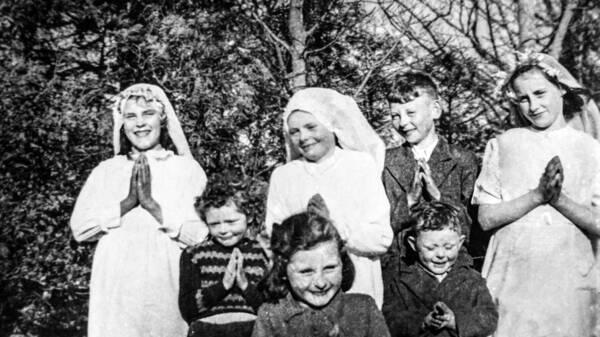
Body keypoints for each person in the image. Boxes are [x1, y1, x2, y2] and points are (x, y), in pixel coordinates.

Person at [473, 52, 600, 336]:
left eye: (540, 93)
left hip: (568, 279)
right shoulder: (505, 144)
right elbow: (486, 218)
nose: (533, 105)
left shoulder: (589, 149)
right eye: (523, 98)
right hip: (514, 275)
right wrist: (536, 195)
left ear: (561, 89)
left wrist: (560, 200)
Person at [70, 83, 207, 337]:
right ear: (122, 124)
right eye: (131, 116)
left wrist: (155, 209)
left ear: (162, 119)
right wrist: (126, 204)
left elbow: (202, 236)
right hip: (116, 282)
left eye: (148, 114)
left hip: (166, 279)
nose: (140, 124)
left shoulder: (186, 169)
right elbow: (80, 229)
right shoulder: (106, 170)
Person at [265, 88, 393, 307]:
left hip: (357, 285)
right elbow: (274, 236)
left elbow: (381, 237)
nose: (303, 137)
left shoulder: (360, 165)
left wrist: (336, 228)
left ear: (332, 124)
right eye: (294, 131)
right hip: (302, 291)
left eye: (311, 127)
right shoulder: (284, 176)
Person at [381, 72, 479, 283]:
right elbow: (379, 227)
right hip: (400, 275)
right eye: (395, 115)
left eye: (411, 112)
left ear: (435, 110)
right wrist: (407, 202)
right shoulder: (385, 162)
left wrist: (439, 198)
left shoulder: (463, 160)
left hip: (454, 275)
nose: (403, 122)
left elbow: (474, 231)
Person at [253, 195, 391, 337]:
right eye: (306, 272)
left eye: (330, 268)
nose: (320, 282)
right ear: (283, 270)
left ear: (342, 263)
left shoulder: (363, 309)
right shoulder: (272, 316)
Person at [382, 201, 497, 337]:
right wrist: (422, 320)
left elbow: (490, 317)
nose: (441, 254)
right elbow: (389, 319)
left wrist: (456, 321)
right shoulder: (400, 282)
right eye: (431, 248)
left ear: (460, 243)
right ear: (413, 244)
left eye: (448, 247)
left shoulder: (472, 280)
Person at [179, 177, 269, 337]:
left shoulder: (262, 253)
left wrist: (244, 284)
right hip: (206, 330)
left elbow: (269, 310)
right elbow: (188, 309)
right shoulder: (193, 255)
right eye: (214, 224)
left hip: (252, 330)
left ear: (249, 216)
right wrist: (223, 285)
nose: (223, 230)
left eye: (231, 221)